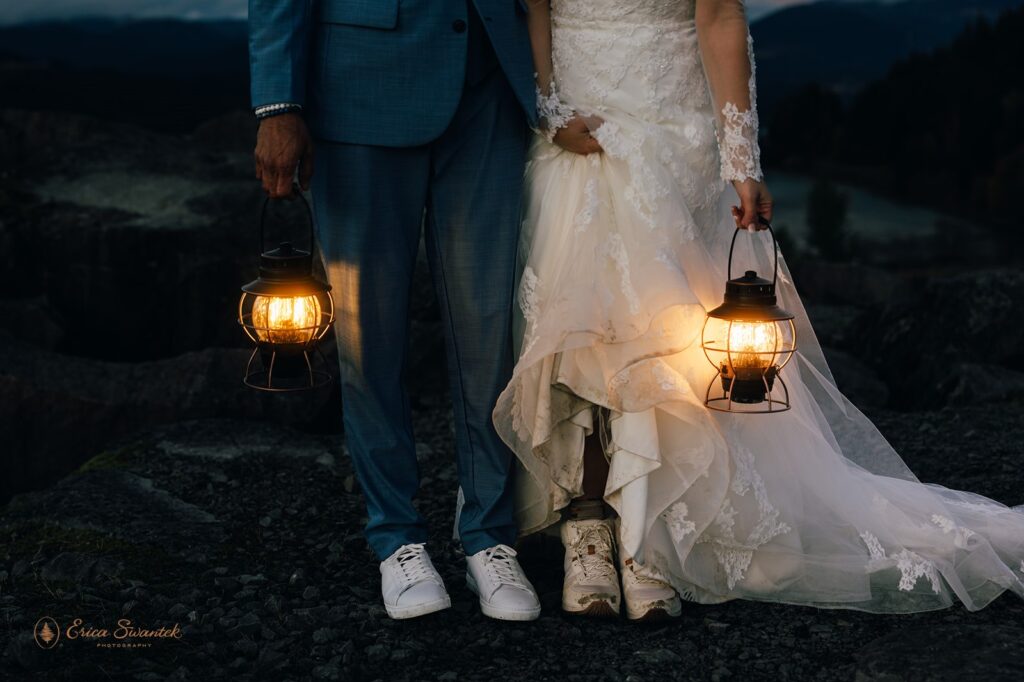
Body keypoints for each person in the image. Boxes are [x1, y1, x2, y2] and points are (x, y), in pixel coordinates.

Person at [493, 0, 1024, 621]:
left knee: (662, 334)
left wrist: (742, 161)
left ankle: (645, 536)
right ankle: (585, 526)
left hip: (675, 131)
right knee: (586, 324)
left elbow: (719, 15)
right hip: (582, 121)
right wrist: (548, 107)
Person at [248, 0, 542, 621]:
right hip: (360, 88)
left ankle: (489, 535)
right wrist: (279, 103)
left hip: (491, 86)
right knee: (368, 337)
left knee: (491, 329)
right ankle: (397, 537)